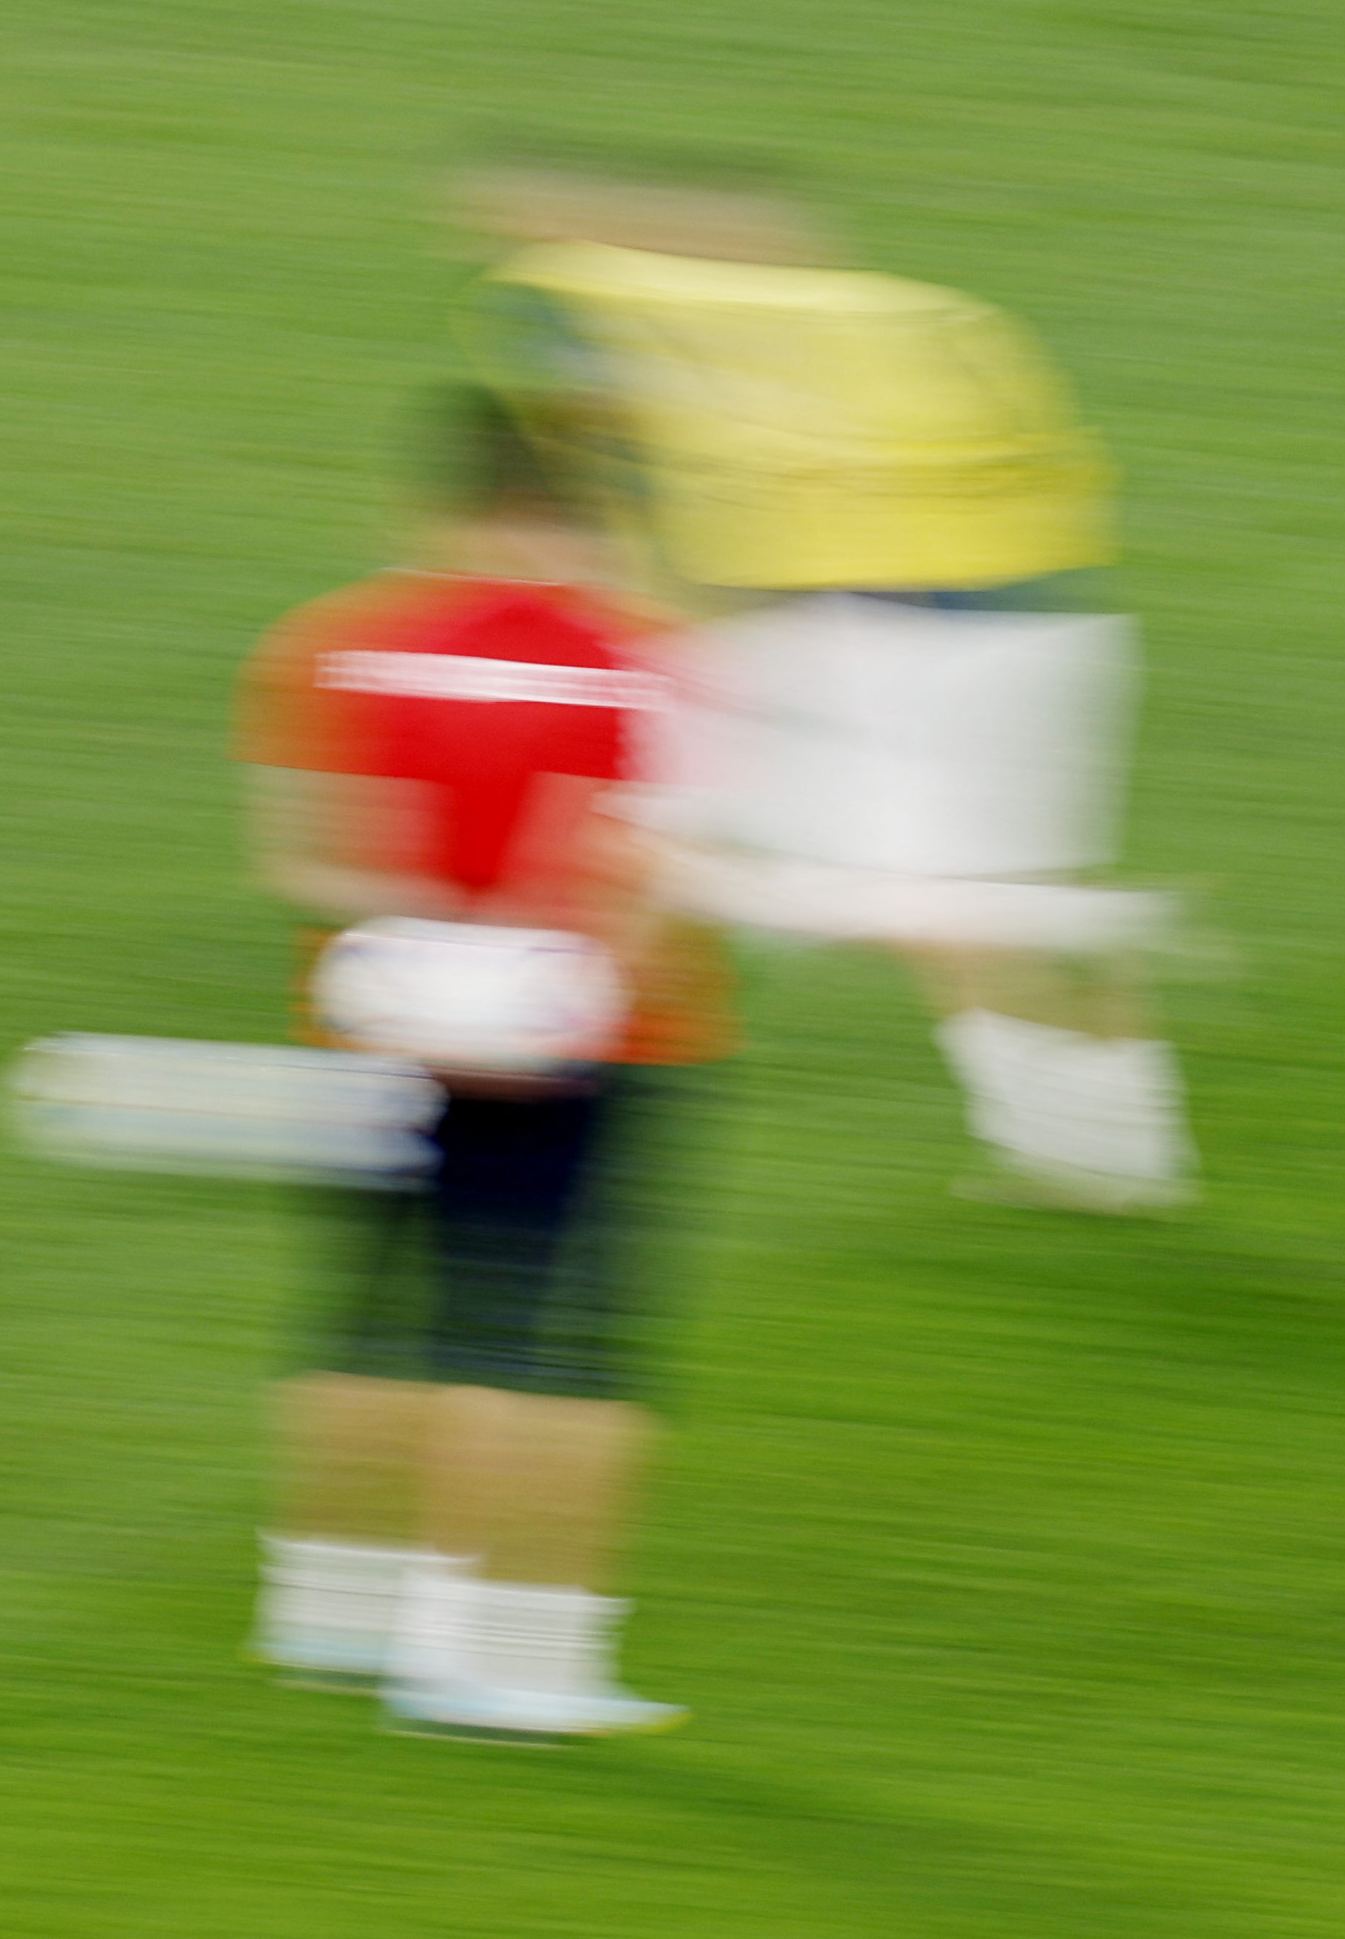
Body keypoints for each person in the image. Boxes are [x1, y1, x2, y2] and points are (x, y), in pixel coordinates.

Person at [458, 144, 1194, 1213]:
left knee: (679, 848)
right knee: (982, 905)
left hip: (848, 632)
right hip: (1017, 621)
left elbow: (624, 485)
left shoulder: (590, 309)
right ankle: (1102, 1143)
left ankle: (519, 1068)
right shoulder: (905, 319)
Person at [238, 391, 724, 1739]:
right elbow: (636, 873)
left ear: (438, 505)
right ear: (598, 511)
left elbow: (307, 856)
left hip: (376, 1024)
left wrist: (436, 954)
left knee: (366, 1321)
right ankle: (501, 1658)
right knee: (555, 1358)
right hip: (586, 1043)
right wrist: (531, 971)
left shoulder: (337, 644)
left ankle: (327, 1611)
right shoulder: (644, 658)